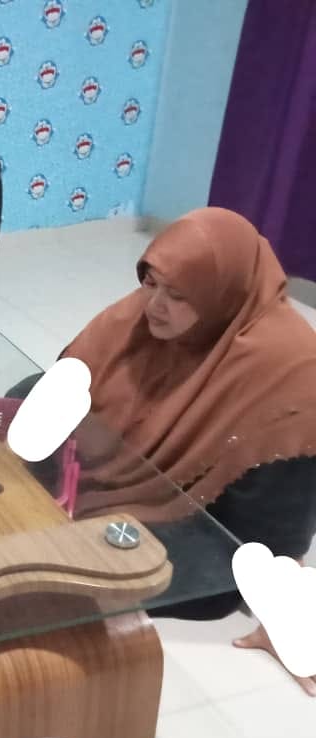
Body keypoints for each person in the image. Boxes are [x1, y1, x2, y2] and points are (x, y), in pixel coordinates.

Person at [61, 207, 316, 695]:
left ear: (223, 296)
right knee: (28, 400)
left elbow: (274, 527)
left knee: (75, 572)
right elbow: (71, 375)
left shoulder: (289, 369)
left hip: (204, 518)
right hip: (134, 466)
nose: (154, 304)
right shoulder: (144, 312)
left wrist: (286, 614)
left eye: (177, 295)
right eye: (150, 282)